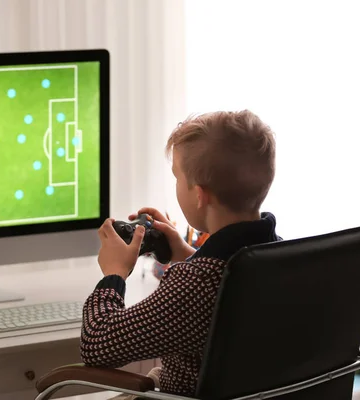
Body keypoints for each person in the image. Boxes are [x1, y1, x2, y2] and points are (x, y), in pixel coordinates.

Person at [80, 110, 282, 397]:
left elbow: (96, 345)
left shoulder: (196, 284)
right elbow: (226, 282)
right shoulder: (283, 256)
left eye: (177, 176)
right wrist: (187, 254)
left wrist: (114, 274)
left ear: (200, 195)